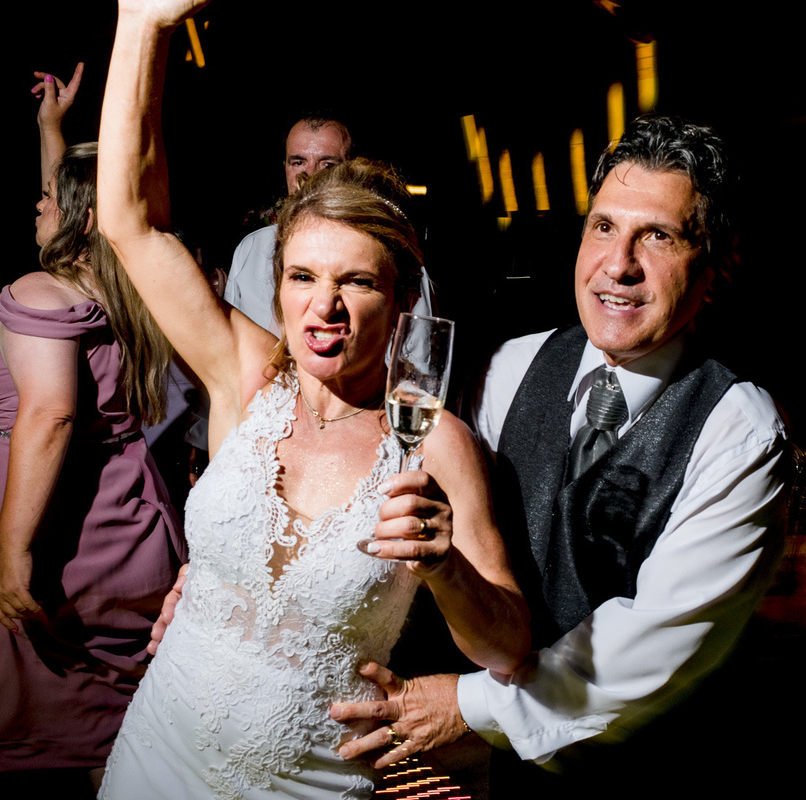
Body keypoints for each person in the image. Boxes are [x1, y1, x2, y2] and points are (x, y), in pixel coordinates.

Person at [94, 3, 530, 798]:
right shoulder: (246, 376)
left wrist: (445, 569)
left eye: (356, 281)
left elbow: (507, 649)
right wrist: (142, 24)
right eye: (302, 277)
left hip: (310, 784)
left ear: (401, 300)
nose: (322, 307)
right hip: (155, 755)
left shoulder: (435, 445)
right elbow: (132, 224)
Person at [331, 114, 789, 792]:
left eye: (657, 236)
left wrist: (465, 706)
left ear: (716, 267)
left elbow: (649, 649)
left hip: (646, 766)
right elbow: (429, 523)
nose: (619, 264)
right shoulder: (514, 366)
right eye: (604, 227)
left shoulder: (741, 433)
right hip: (494, 771)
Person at [0, 63, 186, 792]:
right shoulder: (126, 284)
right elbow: (83, 214)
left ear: (80, 218)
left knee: (43, 740)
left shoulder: (39, 293)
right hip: (123, 518)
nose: (36, 203)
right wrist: (51, 133)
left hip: (51, 526)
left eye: (48, 199)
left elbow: (49, 412)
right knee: (101, 730)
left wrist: (13, 551)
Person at [225, 115, 435, 334]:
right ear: (285, 167)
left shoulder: (393, 255)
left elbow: (417, 360)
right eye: (298, 162)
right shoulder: (251, 248)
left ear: (352, 168)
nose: (311, 175)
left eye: (327, 164)